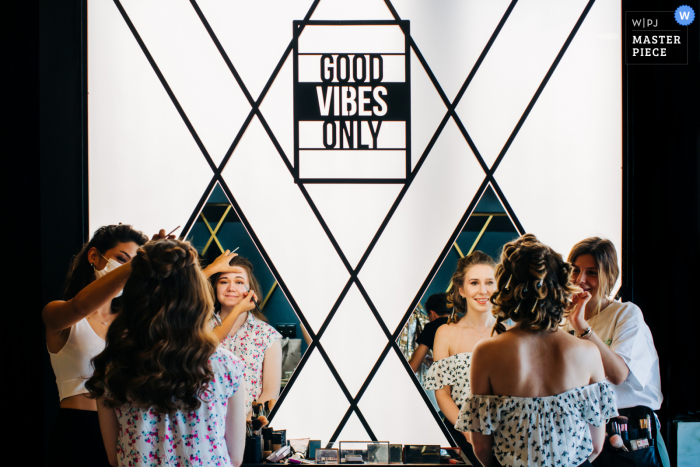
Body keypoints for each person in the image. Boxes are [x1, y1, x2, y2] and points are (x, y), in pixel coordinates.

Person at [456, 234, 617, 467]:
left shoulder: (486, 352)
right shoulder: (588, 352)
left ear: (508, 290)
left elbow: (481, 446)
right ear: (561, 288)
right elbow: (596, 445)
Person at [86, 239, 247, 467]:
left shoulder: (114, 365)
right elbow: (236, 458)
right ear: (198, 297)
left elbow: (114, 458)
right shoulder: (227, 365)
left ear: (135, 296)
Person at [43, 224, 149, 467]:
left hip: (127, 428)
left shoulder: (130, 325)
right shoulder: (58, 312)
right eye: (122, 259)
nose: (127, 269)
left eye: (134, 263)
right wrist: (137, 263)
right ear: (94, 257)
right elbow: (80, 306)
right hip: (78, 430)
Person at [564, 237, 669, 467]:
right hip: (584, 430)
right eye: (575, 270)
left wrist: (583, 328)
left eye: (591, 272)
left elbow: (618, 374)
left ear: (608, 276)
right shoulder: (562, 323)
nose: (580, 280)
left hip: (631, 429)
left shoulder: (626, 314)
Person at [424, 251, 498, 466]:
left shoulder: (511, 332)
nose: (483, 290)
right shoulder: (446, 333)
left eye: (489, 282)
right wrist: (468, 433)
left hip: (506, 434)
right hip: (459, 433)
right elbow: (443, 395)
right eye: (474, 283)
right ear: (461, 289)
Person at [210, 254, 282, 418]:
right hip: (205, 428)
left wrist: (245, 426)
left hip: (249, 431)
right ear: (215, 287)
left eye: (239, 282)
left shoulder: (267, 335)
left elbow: (271, 393)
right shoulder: (200, 329)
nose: (231, 288)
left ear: (250, 291)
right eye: (224, 281)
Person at [408, 293, 450, 372]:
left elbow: (412, 367)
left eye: (429, 317)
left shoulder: (433, 327)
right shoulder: (461, 323)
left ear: (433, 314)